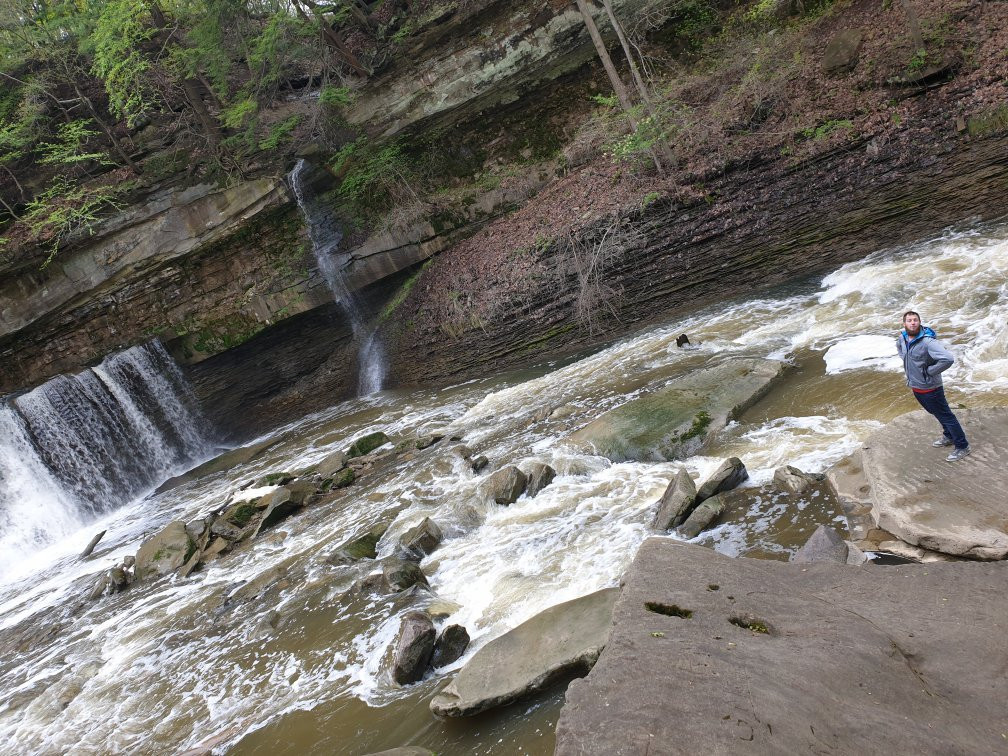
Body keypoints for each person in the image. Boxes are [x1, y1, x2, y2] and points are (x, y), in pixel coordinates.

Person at [896, 310, 970, 461]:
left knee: (946, 415)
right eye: (909, 320)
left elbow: (947, 359)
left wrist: (929, 371)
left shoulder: (928, 342)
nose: (912, 323)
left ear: (919, 322)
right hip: (916, 387)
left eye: (915, 320)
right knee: (936, 412)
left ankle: (962, 446)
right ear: (904, 323)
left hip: (931, 388)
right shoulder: (902, 339)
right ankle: (948, 436)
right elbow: (900, 350)